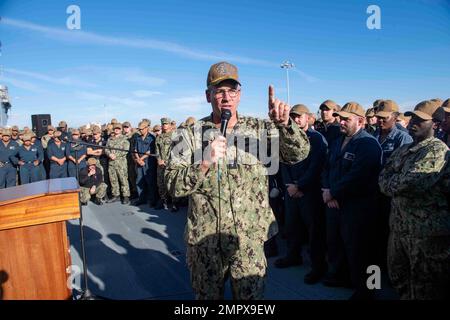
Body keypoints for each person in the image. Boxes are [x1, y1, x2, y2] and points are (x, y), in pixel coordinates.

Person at [164, 61, 310, 300]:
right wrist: (203, 163)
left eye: (232, 90)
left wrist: (284, 125)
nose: (226, 97)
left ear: (240, 95)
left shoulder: (259, 129)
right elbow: (172, 184)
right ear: (208, 95)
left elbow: (298, 154)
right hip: (205, 241)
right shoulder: (188, 134)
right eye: (219, 91)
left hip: (248, 240)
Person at [379, 100, 450, 300]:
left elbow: (410, 184)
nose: (413, 122)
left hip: (425, 234)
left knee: (425, 286)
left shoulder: (437, 150)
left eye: (421, 119)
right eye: (413, 117)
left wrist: (393, 182)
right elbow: (383, 178)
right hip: (400, 229)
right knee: (398, 278)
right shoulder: (405, 149)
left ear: (435, 124)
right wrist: (394, 182)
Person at [321, 102, 382, 300]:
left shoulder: (368, 144)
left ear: (361, 121)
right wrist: (327, 189)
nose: (341, 122)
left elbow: (358, 175)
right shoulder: (339, 140)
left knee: (364, 251)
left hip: (359, 207)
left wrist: (334, 193)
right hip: (336, 202)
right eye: (340, 118)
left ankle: (370, 290)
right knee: (339, 244)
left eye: (347, 119)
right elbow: (328, 167)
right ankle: (345, 278)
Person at [276, 104, 328, 285]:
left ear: (308, 118)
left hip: (309, 192)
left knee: (314, 231)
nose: (297, 119)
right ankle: (293, 255)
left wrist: (300, 186)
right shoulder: (286, 137)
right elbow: (283, 162)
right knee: (292, 226)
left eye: (300, 116)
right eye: (293, 116)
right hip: (291, 191)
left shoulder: (317, 139)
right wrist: (289, 185)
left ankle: (317, 266)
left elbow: (317, 166)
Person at [132, 120, 157, 207]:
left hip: (148, 162)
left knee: (150, 181)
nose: (140, 131)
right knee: (139, 181)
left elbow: (151, 150)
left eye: (142, 129)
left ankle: (152, 200)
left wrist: (141, 159)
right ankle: (141, 199)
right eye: (139, 129)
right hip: (139, 162)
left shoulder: (152, 138)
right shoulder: (138, 138)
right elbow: (135, 149)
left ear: (147, 128)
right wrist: (138, 159)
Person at [156, 117, 178, 211]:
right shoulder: (159, 137)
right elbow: (157, 150)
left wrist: (169, 161)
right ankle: (164, 201)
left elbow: (177, 151)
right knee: (161, 183)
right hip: (161, 164)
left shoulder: (175, 135)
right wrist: (158, 159)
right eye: (163, 124)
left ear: (169, 124)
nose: (164, 125)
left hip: (171, 163)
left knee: (172, 183)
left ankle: (174, 203)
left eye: (166, 124)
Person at [105, 123, 130, 204]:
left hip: (121, 163)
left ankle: (126, 196)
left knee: (123, 180)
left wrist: (115, 155)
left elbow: (125, 150)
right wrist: (109, 154)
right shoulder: (110, 139)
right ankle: (116, 195)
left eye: (118, 128)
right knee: (113, 180)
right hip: (112, 163)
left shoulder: (124, 139)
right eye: (115, 128)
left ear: (121, 129)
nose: (117, 130)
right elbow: (106, 149)